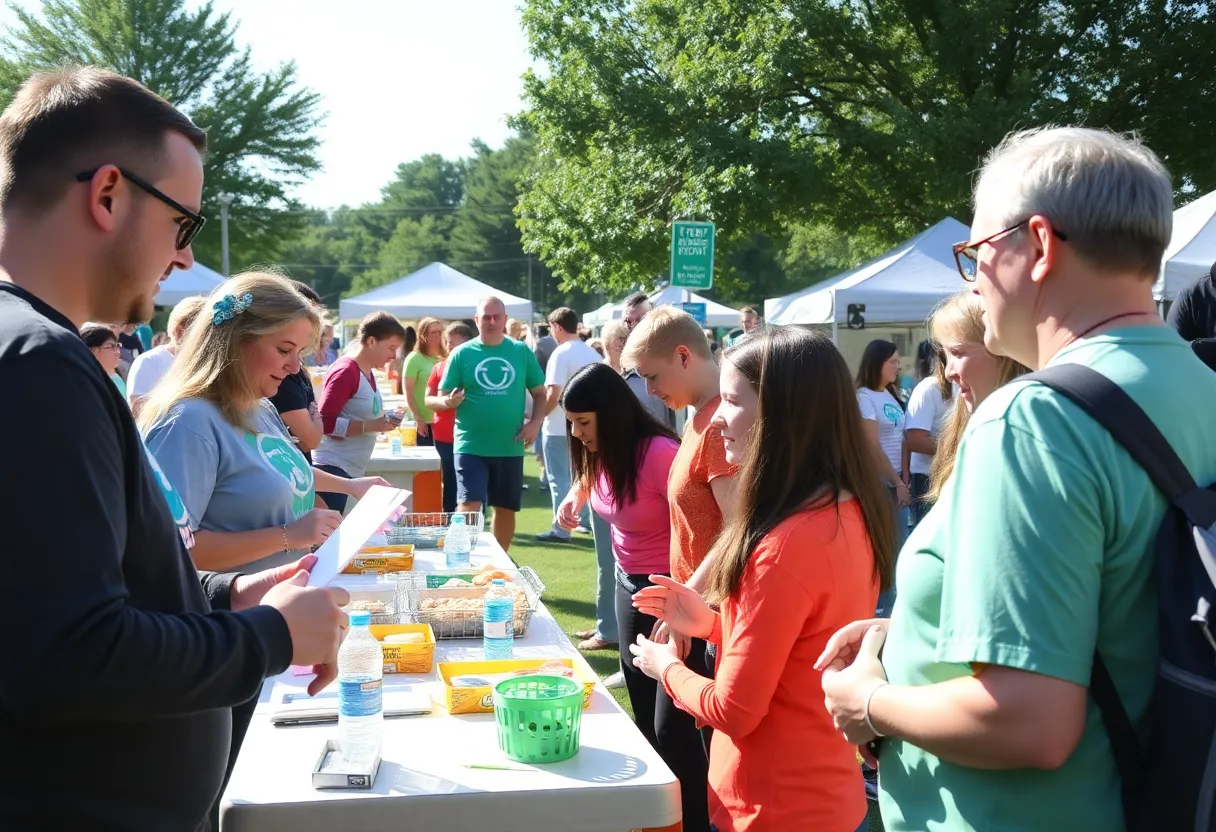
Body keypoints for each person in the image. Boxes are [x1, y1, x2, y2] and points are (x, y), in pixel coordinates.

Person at [819, 127, 1216, 832]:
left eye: (975, 254)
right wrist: (915, 629)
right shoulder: (1200, 384)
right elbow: (1126, 612)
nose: (972, 279)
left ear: (1037, 245)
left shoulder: (1035, 418)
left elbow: (1028, 721)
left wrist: (868, 701)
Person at [0, 66, 347, 830]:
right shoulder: (39, 364)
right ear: (108, 195)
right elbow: (65, 658)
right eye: (181, 225)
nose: (186, 260)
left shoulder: (36, 352)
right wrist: (270, 633)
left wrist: (224, 599)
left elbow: (66, 600)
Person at [631, 327, 895, 832]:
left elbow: (734, 710)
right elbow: (802, 646)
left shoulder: (781, 545)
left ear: (781, 414)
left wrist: (664, 666)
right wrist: (711, 624)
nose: (718, 422)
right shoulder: (847, 509)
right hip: (823, 796)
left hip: (773, 808)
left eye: (732, 402)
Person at [141, 273, 389, 573]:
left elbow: (268, 464)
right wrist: (289, 536)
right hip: (226, 617)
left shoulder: (258, 407)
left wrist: (349, 486)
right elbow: (165, 549)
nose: (295, 366)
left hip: (276, 611)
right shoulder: (187, 424)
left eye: (299, 353)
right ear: (235, 342)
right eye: (284, 350)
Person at [622, 305, 739, 832]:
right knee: (677, 733)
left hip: (718, 615)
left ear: (685, 356)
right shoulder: (698, 418)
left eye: (652, 375)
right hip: (701, 611)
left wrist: (685, 598)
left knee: (694, 738)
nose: (649, 390)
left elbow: (739, 526)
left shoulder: (719, 425)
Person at [554, 363, 687, 800]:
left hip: (671, 595)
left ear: (610, 414)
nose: (576, 434)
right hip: (627, 586)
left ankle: (690, 813)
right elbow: (594, 477)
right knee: (644, 711)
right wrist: (576, 496)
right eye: (571, 424)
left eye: (583, 423)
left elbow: (706, 526)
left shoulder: (661, 454)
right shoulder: (603, 449)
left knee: (675, 727)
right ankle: (655, 811)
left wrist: (682, 600)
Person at [440, 296, 546, 552]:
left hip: (509, 444)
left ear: (505, 319)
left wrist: (535, 423)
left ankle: (500, 563)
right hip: (470, 443)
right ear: (476, 320)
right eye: (486, 317)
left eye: (496, 316)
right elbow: (443, 395)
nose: (491, 321)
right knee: (468, 505)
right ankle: (461, 558)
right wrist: (449, 402)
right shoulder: (461, 353)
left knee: (506, 507)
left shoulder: (520, 351)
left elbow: (541, 393)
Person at [926, 292, 1028, 502]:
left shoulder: (1029, 435)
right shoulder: (964, 428)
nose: (948, 372)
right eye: (945, 357)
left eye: (957, 353)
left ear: (1002, 353)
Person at [313, 311, 407, 512]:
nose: (394, 355)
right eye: (391, 348)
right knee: (327, 539)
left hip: (348, 469)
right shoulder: (346, 371)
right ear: (371, 341)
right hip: (333, 468)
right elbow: (324, 423)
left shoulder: (367, 371)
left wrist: (385, 419)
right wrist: (371, 426)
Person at [537, 307, 601, 545]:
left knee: (560, 478)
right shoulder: (592, 354)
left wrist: (539, 417)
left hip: (557, 425)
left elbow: (554, 392)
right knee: (583, 476)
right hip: (588, 427)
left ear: (557, 327)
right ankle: (583, 522)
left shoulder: (561, 353)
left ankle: (562, 528)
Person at [855, 338, 908, 617]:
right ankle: (878, 617)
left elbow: (902, 440)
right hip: (879, 485)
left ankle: (890, 615)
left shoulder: (890, 396)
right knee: (887, 552)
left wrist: (904, 478)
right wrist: (898, 482)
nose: (898, 367)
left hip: (896, 483)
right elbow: (872, 446)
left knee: (898, 550)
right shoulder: (863, 397)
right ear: (878, 363)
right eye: (893, 361)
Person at [269, 280, 327, 461]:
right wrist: (316, 419)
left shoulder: (294, 369)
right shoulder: (281, 377)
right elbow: (309, 441)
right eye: (284, 350)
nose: (318, 326)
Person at [127, 294, 205, 417]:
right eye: (203, 332)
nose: (208, 339)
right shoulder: (149, 362)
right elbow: (138, 411)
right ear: (180, 331)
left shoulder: (206, 363)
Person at [426, 321, 475, 513]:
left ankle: (472, 530)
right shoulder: (439, 367)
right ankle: (448, 528)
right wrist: (448, 402)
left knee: (471, 489)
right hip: (445, 436)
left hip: (472, 437)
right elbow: (428, 400)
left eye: (456, 344)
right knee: (449, 485)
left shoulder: (478, 368)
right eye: (448, 343)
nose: (451, 348)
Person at [902, 338, 952, 525]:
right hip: (927, 479)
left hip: (949, 475)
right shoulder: (928, 389)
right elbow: (914, 440)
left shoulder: (958, 386)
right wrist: (957, 450)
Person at [620, 293, 678, 429]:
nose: (633, 326)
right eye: (628, 321)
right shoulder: (617, 349)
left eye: (640, 320)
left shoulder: (668, 351)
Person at [402, 316, 446, 447]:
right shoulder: (414, 358)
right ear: (423, 335)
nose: (437, 335)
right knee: (426, 464)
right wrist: (418, 418)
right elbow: (408, 391)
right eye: (433, 332)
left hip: (443, 420)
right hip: (423, 420)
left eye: (440, 332)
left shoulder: (447, 356)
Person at [81, 322, 127, 398]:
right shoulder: (81, 382)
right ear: (92, 351)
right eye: (110, 346)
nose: (118, 352)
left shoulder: (117, 379)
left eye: (117, 345)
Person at [390, 323, 417, 395]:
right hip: (412, 387)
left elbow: (391, 369)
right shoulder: (416, 355)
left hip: (398, 385)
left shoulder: (397, 352)